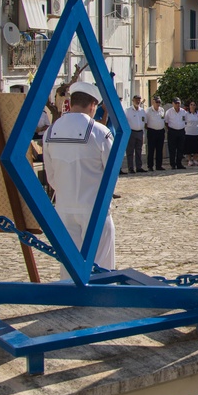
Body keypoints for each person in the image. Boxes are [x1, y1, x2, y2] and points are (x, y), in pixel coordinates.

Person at [43, 81, 116, 274]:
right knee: (101, 265)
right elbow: (112, 171)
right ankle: (100, 300)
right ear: (93, 105)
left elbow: (50, 176)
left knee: (69, 267)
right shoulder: (100, 132)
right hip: (94, 206)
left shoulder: (50, 132)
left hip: (64, 206)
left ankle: (73, 301)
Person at [122, 95, 147, 174]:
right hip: (131, 132)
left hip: (140, 132)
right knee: (130, 151)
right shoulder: (128, 110)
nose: (138, 101)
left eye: (139, 100)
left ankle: (139, 167)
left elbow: (145, 122)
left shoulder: (142, 111)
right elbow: (125, 122)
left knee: (139, 151)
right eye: (136, 100)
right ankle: (130, 168)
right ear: (133, 100)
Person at [145, 96, 166, 171]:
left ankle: (159, 165)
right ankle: (150, 166)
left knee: (159, 150)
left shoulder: (162, 110)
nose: (158, 103)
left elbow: (163, 120)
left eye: (159, 102)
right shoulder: (148, 111)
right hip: (152, 131)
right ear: (153, 102)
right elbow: (145, 123)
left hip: (160, 131)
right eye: (156, 102)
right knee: (151, 149)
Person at [164, 97, 187, 169]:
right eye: (176, 103)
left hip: (181, 131)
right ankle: (172, 164)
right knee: (172, 149)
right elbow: (166, 122)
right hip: (172, 131)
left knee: (180, 148)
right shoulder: (169, 112)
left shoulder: (183, 112)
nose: (177, 104)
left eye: (178, 103)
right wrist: (170, 129)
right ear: (173, 104)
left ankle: (179, 163)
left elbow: (186, 121)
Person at [184, 100, 198, 167]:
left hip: (196, 132)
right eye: (191, 104)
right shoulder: (186, 114)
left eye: (194, 105)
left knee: (196, 148)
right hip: (188, 132)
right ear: (189, 106)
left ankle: (195, 160)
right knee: (189, 148)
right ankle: (189, 160)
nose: (193, 106)